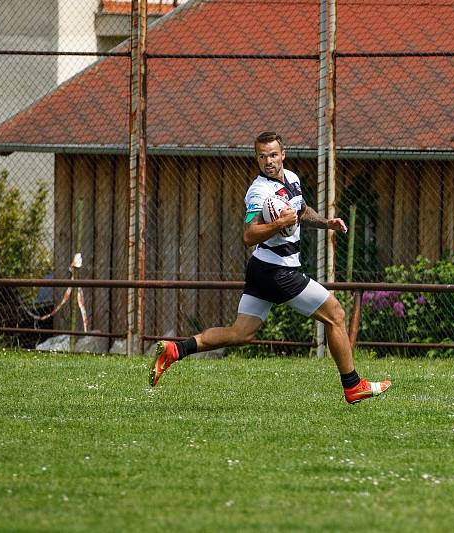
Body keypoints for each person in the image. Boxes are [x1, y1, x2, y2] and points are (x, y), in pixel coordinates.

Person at [149, 131, 391, 404]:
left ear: (283, 154)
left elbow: (300, 211)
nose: (268, 161)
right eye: (262, 156)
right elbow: (249, 235)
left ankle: (174, 350)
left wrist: (326, 223)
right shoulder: (258, 191)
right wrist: (278, 224)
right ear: (257, 158)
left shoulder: (293, 179)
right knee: (335, 313)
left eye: (273, 155)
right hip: (277, 272)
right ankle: (353, 385)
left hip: (263, 270)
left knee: (240, 333)